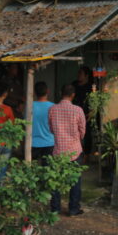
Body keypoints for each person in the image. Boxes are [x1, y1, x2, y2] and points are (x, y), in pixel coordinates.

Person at [48, 84, 86, 216]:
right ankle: (73, 209)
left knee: (56, 180)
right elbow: (82, 131)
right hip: (75, 150)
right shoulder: (78, 110)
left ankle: (55, 208)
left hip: (58, 150)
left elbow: (51, 129)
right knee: (75, 180)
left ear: (60, 93)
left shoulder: (52, 109)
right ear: (73, 95)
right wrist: (76, 138)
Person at [72, 66, 93, 160]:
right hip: (73, 114)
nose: (78, 75)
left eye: (80, 73)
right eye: (78, 73)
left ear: (86, 75)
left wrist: (92, 112)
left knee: (87, 134)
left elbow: (94, 101)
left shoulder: (91, 87)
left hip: (87, 115)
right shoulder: (74, 85)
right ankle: (75, 154)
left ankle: (86, 155)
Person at [32, 82, 55, 161]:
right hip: (49, 142)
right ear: (48, 91)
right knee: (48, 170)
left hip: (33, 143)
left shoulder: (29, 106)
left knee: (32, 170)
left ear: (34, 93)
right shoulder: (53, 107)